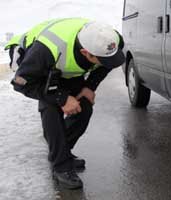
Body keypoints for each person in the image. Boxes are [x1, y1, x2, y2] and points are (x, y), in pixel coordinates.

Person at [5, 18, 125, 189]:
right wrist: (61, 98)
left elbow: (107, 64)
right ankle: (61, 166)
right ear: (85, 53)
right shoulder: (45, 51)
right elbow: (21, 83)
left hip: (63, 67)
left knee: (84, 107)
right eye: (103, 59)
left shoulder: (111, 40)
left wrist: (89, 87)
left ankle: (61, 153)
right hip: (36, 67)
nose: (109, 62)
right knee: (51, 109)